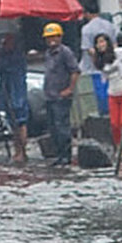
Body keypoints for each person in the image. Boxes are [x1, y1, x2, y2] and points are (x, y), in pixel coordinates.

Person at [95, 31, 122, 161]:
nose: (100, 45)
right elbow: (103, 78)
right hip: (112, 93)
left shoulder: (120, 52)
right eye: (97, 43)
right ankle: (118, 146)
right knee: (114, 123)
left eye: (102, 41)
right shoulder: (100, 61)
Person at [0, 33, 29, 164]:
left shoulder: (16, 58)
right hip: (9, 92)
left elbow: (1, 65)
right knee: (13, 124)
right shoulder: (7, 56)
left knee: (20, 123)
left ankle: (21, 152)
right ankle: (17, 151)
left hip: (16, 93)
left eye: (6, 43)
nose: (4, 46)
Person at [40, 21, 76, 165]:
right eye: (49, 37)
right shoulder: (48, 54)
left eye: (54, 36)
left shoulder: (65, 52)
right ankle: (59, 155)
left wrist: (70, 89)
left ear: (60, 37)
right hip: (50, 96)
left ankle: (66, 155)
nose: (51, 40)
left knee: (62, 127)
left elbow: (75, 71)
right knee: (53, 128)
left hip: (61, 96)